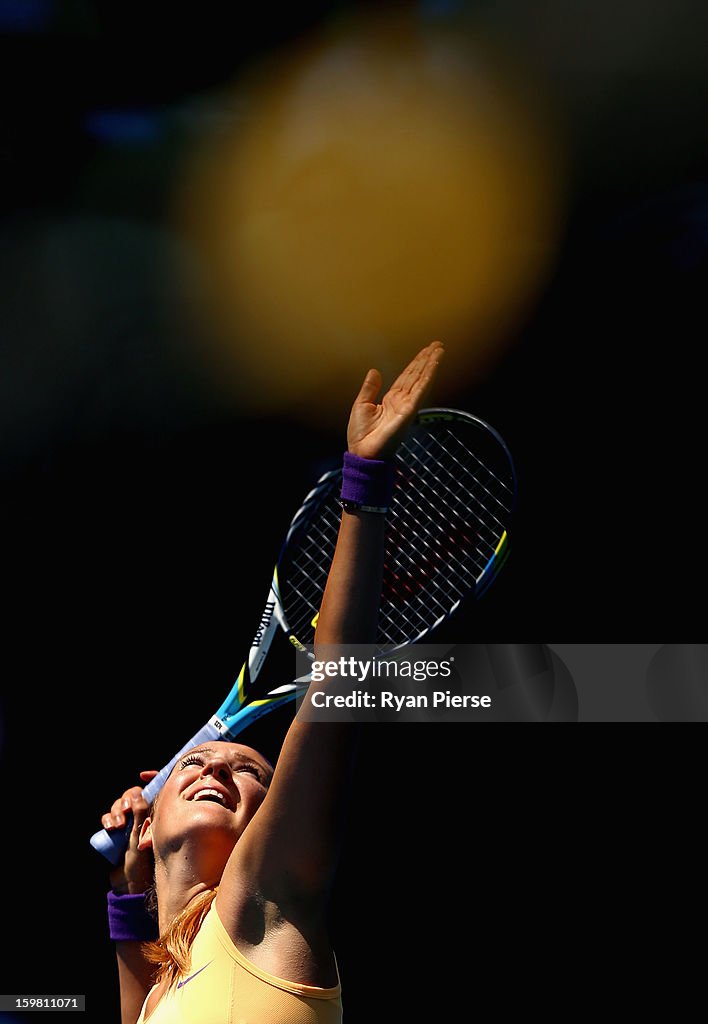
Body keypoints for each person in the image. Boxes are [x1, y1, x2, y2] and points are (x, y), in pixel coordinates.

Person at [100, 341, 445, 1024]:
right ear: (150, 817)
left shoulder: (265, 902)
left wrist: (364, 483)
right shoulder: (166, 994)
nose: (216, 767)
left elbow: (335, 687)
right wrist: (125, 889)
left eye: (250, 769)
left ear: (279, 815)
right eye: (196, 760)